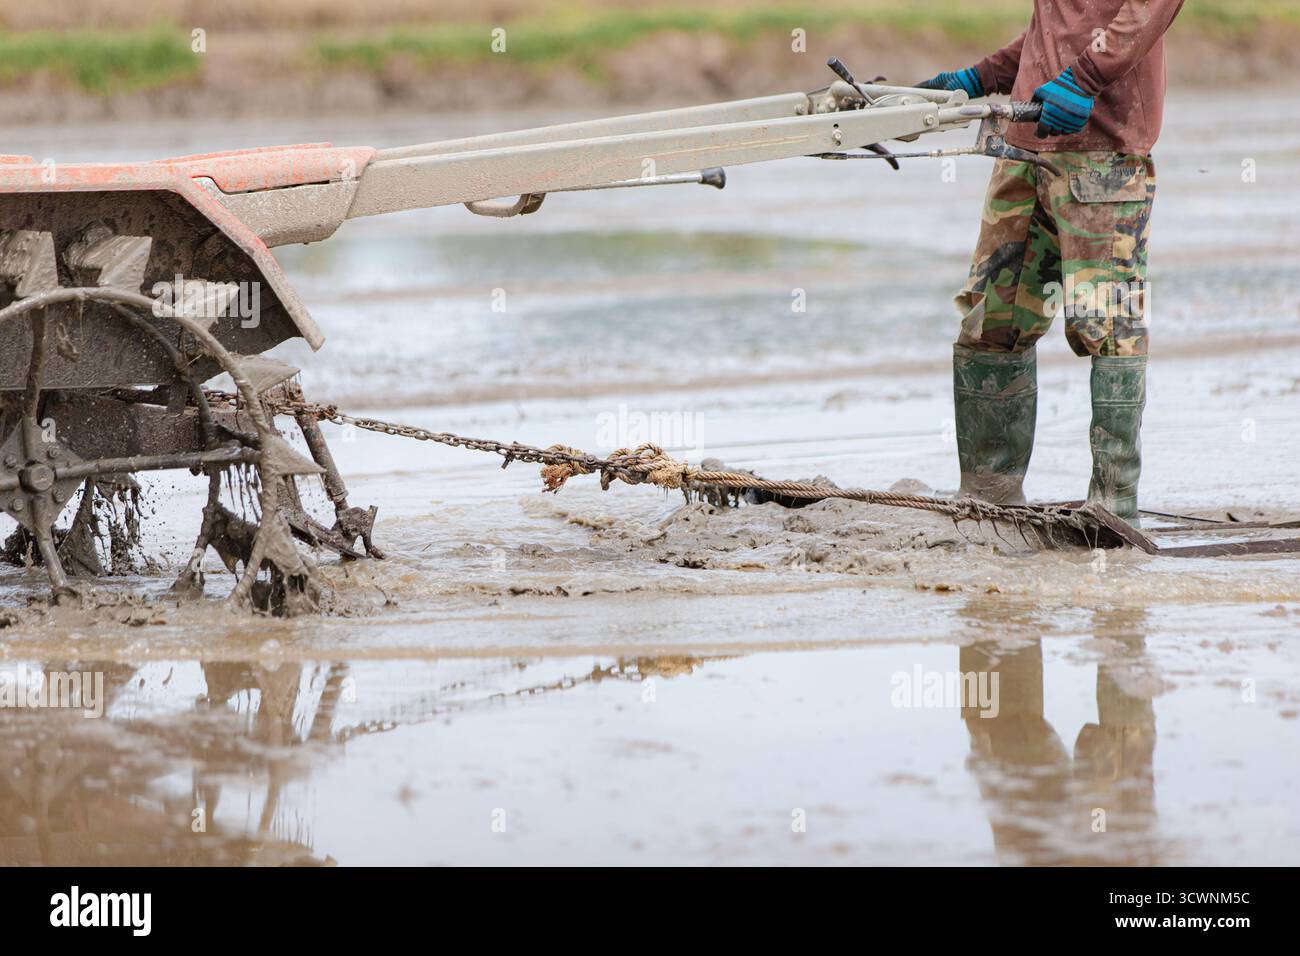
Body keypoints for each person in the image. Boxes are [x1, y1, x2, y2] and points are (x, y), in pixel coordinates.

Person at [916, 0, 1185, 525]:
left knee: (1106, 323)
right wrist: (981, 76)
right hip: (1022, 149)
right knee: (992, 318)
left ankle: (1112, 506)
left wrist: (1084, 79)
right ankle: (988, 492)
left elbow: (1147, 12)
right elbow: (1055, 33)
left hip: (1103, 152)